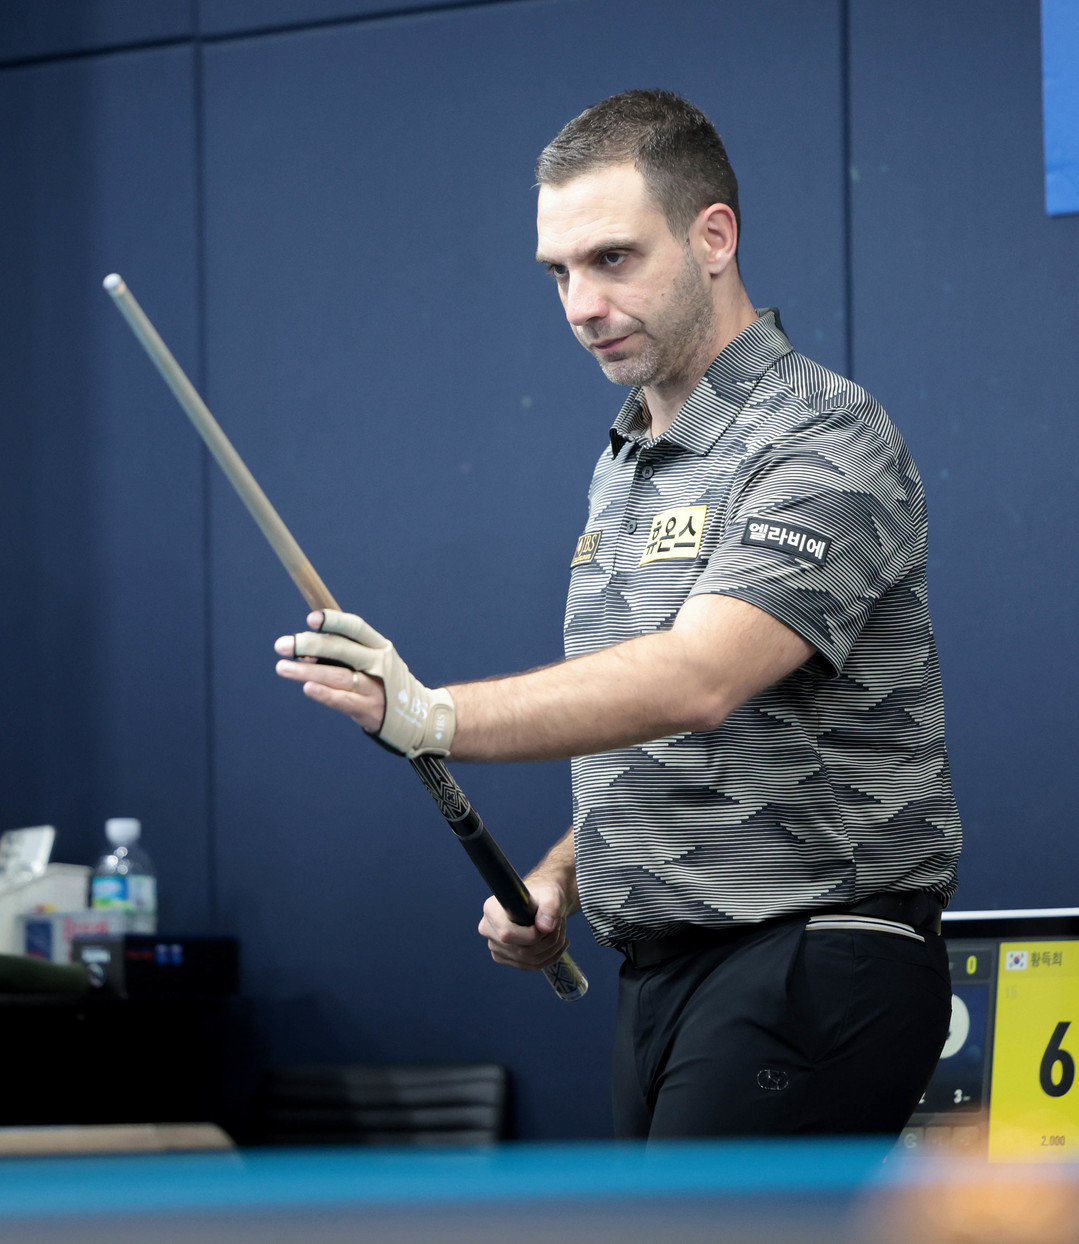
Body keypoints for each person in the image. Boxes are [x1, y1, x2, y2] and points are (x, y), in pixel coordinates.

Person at [274, 89, 961, 1139]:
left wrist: (427, 713)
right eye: (557, 271)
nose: (578, 304)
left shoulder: (821, 435)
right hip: (662, 973)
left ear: (713, 238)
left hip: (814, 953)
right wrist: (561, 875)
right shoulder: (628, 455)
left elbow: (698, 679)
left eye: (610, 259)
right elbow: (671, 744)